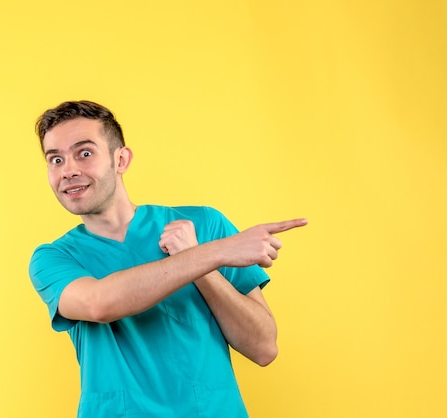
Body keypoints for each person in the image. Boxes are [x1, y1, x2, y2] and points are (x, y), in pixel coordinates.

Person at [29, 100, 307, 418]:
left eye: (85, 153)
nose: (69, 170)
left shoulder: (205, 224)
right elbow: (98, 304)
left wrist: (199, 262)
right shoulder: (53, 258)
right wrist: (211, 252)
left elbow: (263, 347)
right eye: (55, 159)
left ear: (121, 159)